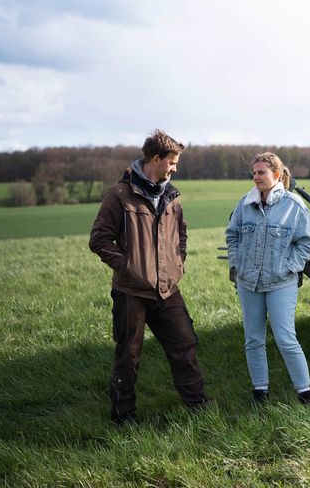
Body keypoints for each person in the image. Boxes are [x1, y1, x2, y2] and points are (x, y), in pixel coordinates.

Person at [89, 129, 210, 425]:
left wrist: (177, 263)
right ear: (155, 159)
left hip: (168, 290)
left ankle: (199, 408)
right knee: (128, 356)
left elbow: (181, 234)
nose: (175, 168)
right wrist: (129, 266)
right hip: (132, 291)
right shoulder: (120, 195)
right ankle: (123, 417)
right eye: (172, 162)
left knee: (185, 345)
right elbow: (99, 240)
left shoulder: (172, 196)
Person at [225, 152, 310, 405]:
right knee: (253, 339)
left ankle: (305, 392)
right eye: (254, 173)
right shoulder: (244, 204)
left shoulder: (294, 206)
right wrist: (236, 264)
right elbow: (232, 236)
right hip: (248, 283)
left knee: (285, 338)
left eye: (261, 172)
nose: (256, 177)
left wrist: (290, 266)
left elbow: (307, 243)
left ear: (276, 175)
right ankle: (260, 391)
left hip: (281, 283)